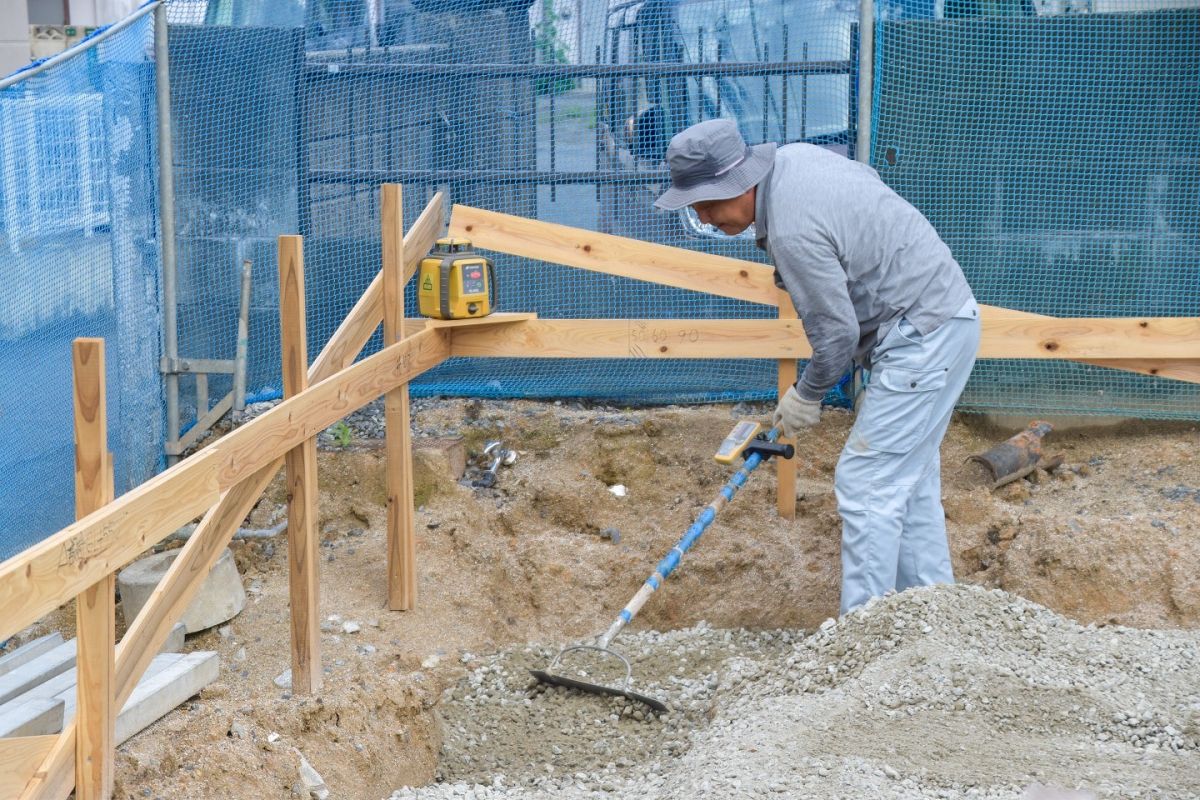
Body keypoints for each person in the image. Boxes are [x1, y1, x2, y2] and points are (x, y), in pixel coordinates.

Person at [654, 119, 981, 615]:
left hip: (921, 334)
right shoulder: (797, 161)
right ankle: (932, 619)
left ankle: (863, 635)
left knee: (868, 482)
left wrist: (807, 394)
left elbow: (837, 335)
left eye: (708, 201)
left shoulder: (791, 227)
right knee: (909, 485)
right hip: (939, 321)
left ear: (741, 183)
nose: (703, 215)